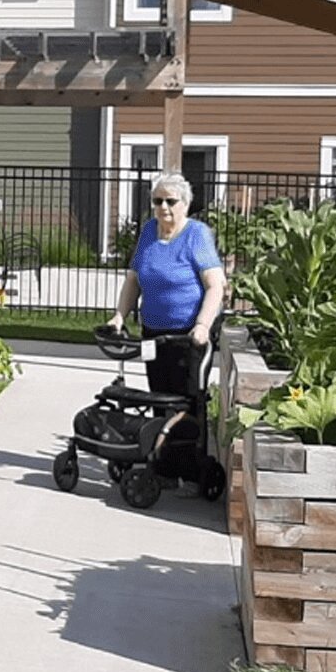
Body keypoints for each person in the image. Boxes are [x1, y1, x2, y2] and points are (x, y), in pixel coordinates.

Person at [108, 172, 227, 493]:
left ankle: (190, 467)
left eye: (171, 201)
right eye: (157, 201)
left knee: (188, 403)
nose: (164, 208)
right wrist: (119, 316)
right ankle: (162, 466)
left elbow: (216, 285)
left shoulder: (196, 235)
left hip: (188, 336)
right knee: (159, 398)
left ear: (185, 204)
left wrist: (203, 325)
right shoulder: (148, 232)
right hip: (153, 333)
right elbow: (134, 279)